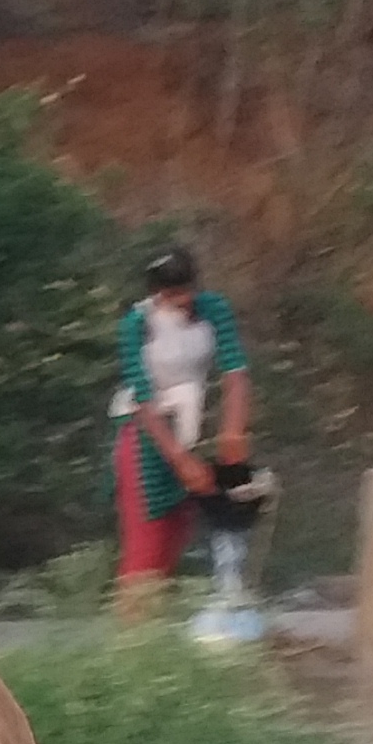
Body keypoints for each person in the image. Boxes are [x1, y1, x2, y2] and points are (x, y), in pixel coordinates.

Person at [110, 248, 252, 617]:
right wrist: (178, 458)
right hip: (147, 434)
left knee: (176, 537)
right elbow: (141, 394)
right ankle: (131, 643)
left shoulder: (213, 310)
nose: (181, 300)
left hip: (191, 428)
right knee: (146, 548)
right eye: (170, 294)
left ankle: (159, 642)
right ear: (156, 293)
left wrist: (233, 429)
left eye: (185, 289)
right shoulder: (136, 325)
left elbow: (235, 370)